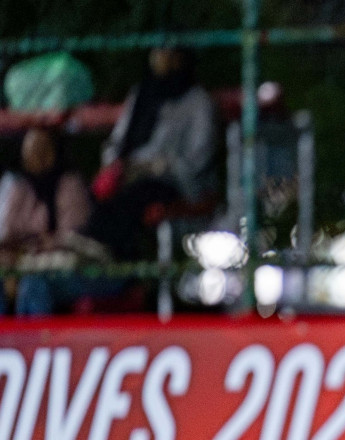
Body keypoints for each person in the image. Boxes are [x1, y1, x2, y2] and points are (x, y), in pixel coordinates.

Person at [87, 45, 217, 261]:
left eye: (166, 53)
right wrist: (116, 166)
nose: (158, 58)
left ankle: (125, 273)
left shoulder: (198, 101)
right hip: (130, 174)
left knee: (132, 201)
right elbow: (116, 142)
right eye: (156, 52)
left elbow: (198, 160)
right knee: (95, 201)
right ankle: (102, 270)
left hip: (174, 181)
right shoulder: (141, 93)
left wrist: (156, 166)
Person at [0, 126, 98, 314]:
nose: (35, 156)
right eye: (30, 150)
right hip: (24, 265)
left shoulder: (70, 184)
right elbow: (7, 235)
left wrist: (27, 247)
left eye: (42, 149)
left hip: (74, 270)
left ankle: (32, 342)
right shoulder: (19, 186)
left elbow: (69, 239)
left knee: (34, 284)